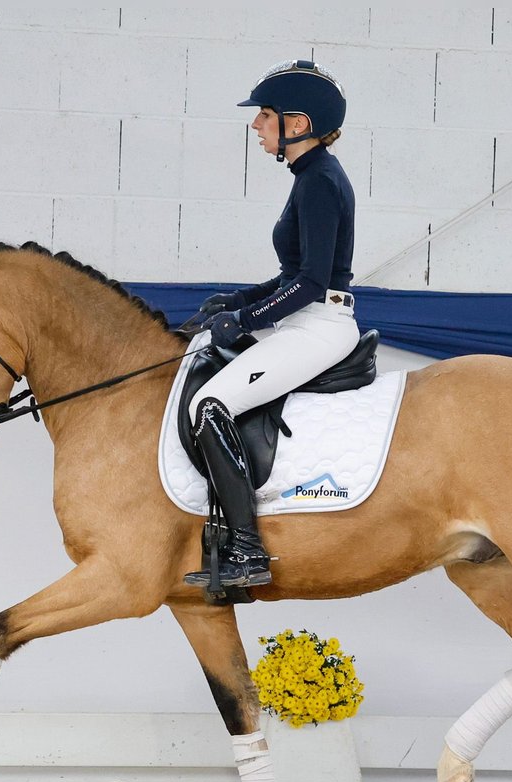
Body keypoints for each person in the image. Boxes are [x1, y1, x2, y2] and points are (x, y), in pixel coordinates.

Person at [184, 59, 359, 595]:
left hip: (319, 324)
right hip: (304, 316)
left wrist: (246, 320)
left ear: (298, 123)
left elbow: (309, 284)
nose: (256, 126)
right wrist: (235, 301)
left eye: (264, 116)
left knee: (210, 407)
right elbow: (292, 274)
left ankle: (246, 549)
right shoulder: (309, 177)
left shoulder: (321, 182)